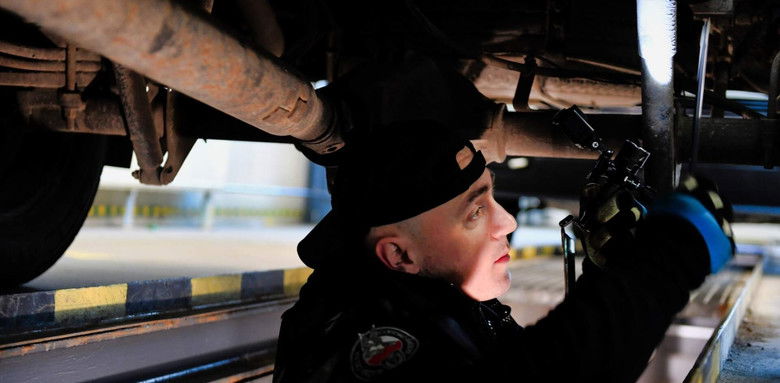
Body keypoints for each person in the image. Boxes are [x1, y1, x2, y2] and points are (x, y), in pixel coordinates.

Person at [273, 121, 734, 383]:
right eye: (476, 212)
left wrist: (608, 271)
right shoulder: (356, 338)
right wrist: (666, 262)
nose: (508, 222)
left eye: (492, 196)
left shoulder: (425, 300)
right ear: (399, 256)